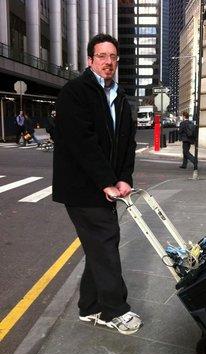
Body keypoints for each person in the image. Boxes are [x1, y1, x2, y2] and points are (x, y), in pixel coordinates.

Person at [52, 33, 142, 335]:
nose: (108, 62)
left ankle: (90, 307)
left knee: (99, 244)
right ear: (90, 60)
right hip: (81, 187)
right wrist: (106, 181)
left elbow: (127, 142)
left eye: (113, 57)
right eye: (102, 56)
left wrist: (123, 178)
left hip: (106, 185)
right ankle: (115, 310)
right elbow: (82, 143)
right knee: (105, 241)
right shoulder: (75, 92)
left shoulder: (119, 95)